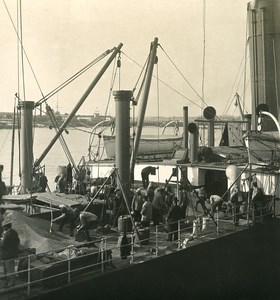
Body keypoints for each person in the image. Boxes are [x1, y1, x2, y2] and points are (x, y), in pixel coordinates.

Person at [1, 219, 20, 288]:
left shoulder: (9, 234)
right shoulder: (13, 232)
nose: (2, 227)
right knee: (8, 268)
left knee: (10, 270)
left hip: (8, 254)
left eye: (3, 226)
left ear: (6, 226)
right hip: (10, 253)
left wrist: (2, 242)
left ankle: (11, 283)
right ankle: (7, 280)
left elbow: (3, 244)